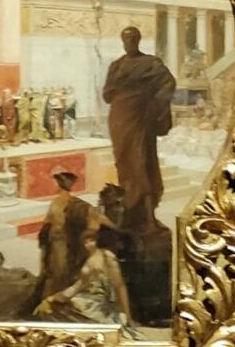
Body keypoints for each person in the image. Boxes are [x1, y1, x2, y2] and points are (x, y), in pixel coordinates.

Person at [102, 26, 175, 230]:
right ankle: (132, 214)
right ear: (122, 41)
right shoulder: (116, 66)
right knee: (124, 165)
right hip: (119, 121)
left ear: (139, 40)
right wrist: (120, 87)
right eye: (126, 39)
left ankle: (148, 217)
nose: (130, 43)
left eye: (133, 39)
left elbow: (168, 84)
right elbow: (106, 95)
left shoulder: (150, 64)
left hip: (140, 121)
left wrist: (154, 105)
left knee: (142, 165)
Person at [35, 230, 133, 330]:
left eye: (91, 241)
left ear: (97, 241)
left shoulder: (106, 255)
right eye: (86, 242)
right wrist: (54, 298)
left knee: (78, 304)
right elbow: (79, 285)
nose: (89, 244)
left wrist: (126, 313)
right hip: (85, 296)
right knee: (55, 307)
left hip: (99, 301)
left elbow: (119, 284)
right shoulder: (87, 260)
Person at [35, 167, 102, 306]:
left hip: (62, 246)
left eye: (55, 182)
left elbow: (47, 226)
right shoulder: (66, 204)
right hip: (59, 246)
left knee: (60, 275)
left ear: (59, 184)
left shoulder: (64, 204)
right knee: (58, 276)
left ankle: (55, 304)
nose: (53, 184)